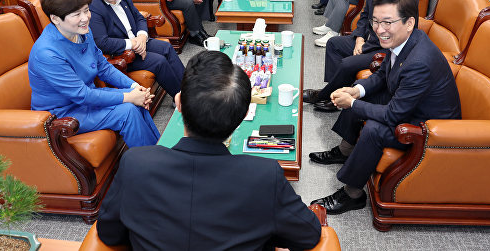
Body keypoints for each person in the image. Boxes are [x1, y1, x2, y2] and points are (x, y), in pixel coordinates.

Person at [97, 50, 322, 250]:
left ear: (179, 104)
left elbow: (109, 232)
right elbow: (309, 236)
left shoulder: (135, 163)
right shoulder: (264, 175)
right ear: (243, 117)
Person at [309, 0, 461, 215]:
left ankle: (353, 195)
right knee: (361, 98)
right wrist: (356, 91)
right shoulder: (406, 39)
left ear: (409, 22)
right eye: (376, 22)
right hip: (411, 105)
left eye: (387, 22)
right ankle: (345, 150)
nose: (380, 30)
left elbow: (393, 116)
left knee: (374, 128)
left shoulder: (420, 61)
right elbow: (381, 75)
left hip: (429, 125)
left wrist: (352, 104)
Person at [28, 0, 161, 149]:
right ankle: (152, 166)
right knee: (127, 110)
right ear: (55, 18)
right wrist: (129, 97)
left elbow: (103, 67)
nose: (85, 18)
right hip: (62, 113)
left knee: (136, 97)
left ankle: (157, 154)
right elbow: (81, 94)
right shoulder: (47, 53)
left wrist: (134, 86)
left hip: (87, 100)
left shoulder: (83, 31)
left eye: (86, 10)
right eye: (77, 14)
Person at [303, 0, 416, 112]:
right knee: (334, 44)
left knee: (348, 63)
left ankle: (327, 96)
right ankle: (334, 93)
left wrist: (368, 44)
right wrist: (359, 39)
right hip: (369, 40)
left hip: (385, 47)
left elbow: (400, 34)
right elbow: (365, 14)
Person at [88, 0, 185, 99]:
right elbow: (102, 42)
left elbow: (139, 17)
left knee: (167, 47)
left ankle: (189, 88)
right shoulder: (92, 7)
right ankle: (181, 98)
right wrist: (133, 44)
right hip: (119, 53)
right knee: (159, 61)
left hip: (136, 41)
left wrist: (141, 36)